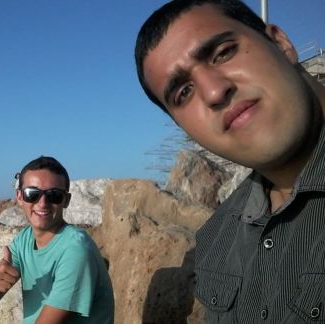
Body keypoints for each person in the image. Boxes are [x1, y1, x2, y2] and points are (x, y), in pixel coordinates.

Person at [135, 0, 325, 322]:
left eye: (222, 52)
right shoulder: (218, 238)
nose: (213, 92)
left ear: (281, 43)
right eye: (183, 93)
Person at [0, 156, 114, 323]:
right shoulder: (24, 240)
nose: (42, 203)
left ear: (66, 201)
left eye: (54, 195)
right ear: (19, 197)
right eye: (32, 194)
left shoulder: (76, 250)